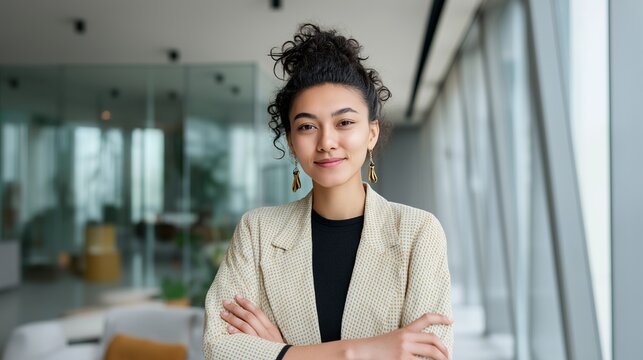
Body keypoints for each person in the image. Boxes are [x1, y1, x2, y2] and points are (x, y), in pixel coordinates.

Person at [203, 23, 453, 360]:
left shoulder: (418, 233)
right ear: (292, 142)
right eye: (307, 126)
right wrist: (355, 352)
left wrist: (280, 352)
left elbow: (429, 356)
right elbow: (218, 348)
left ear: (371, 133)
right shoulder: (258, 231)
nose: (326, 143)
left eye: (345, 122)